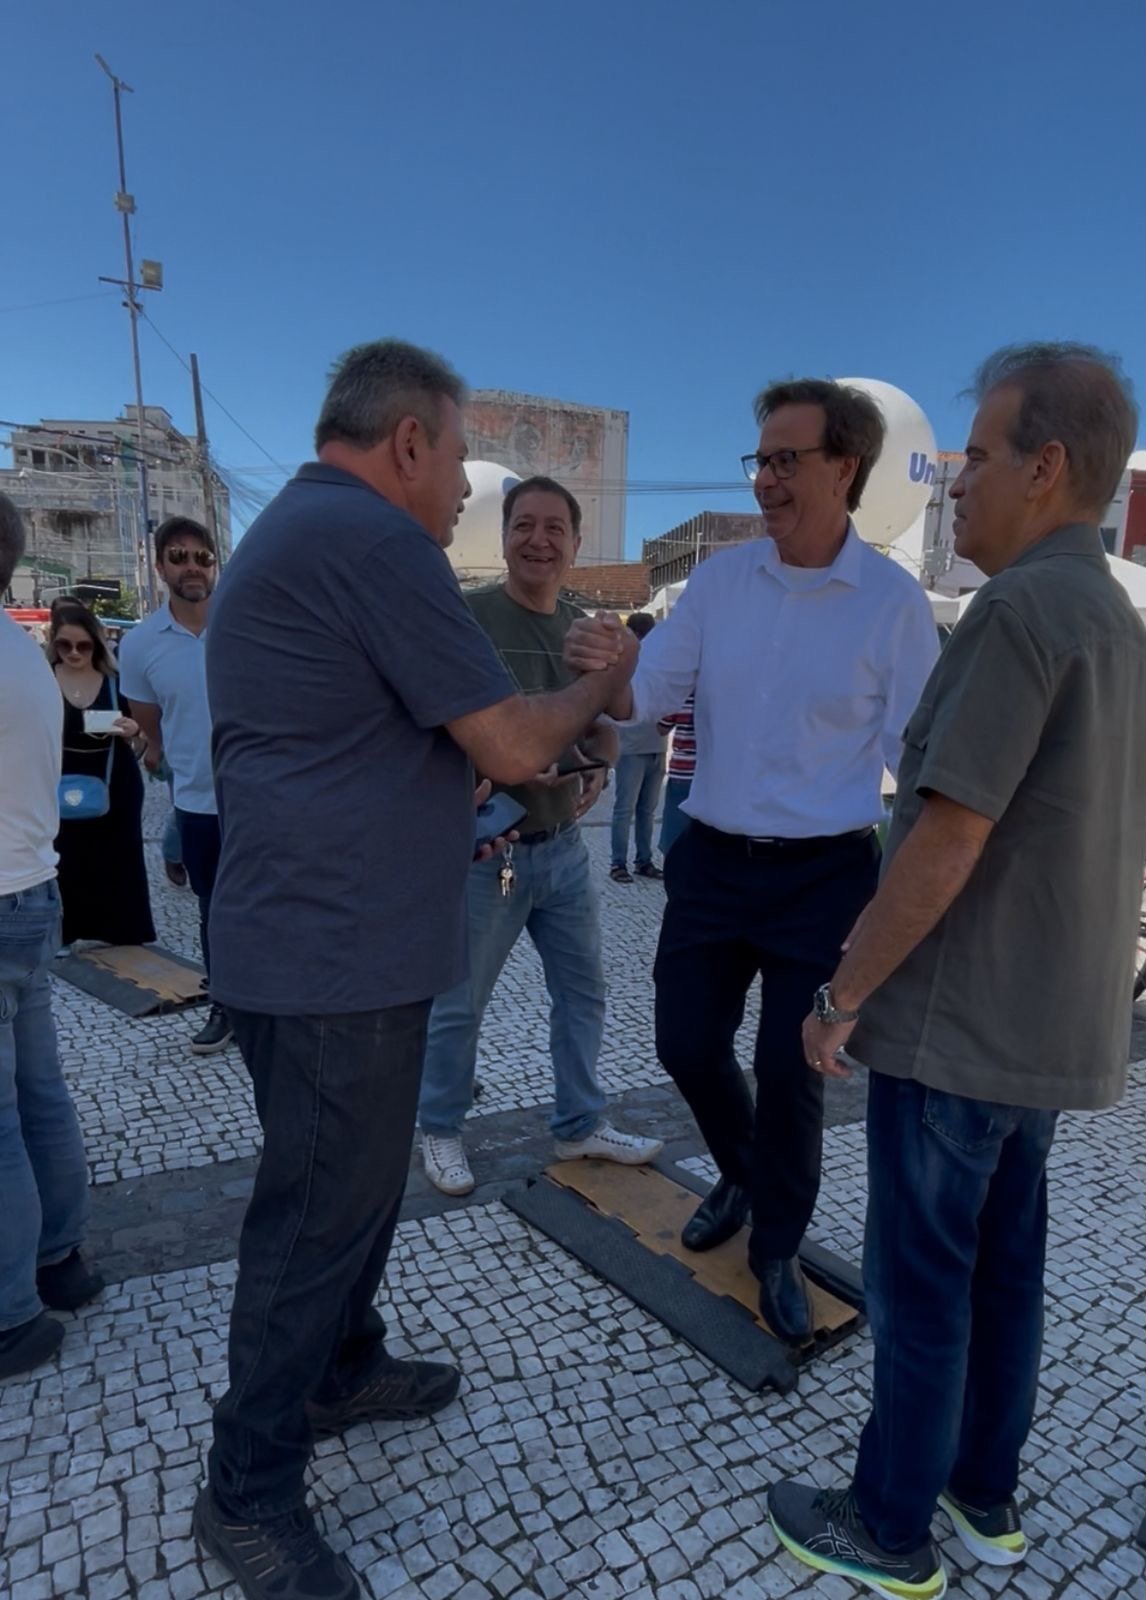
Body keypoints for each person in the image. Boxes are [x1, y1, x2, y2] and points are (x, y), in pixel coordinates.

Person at [196, 340, 641, 1600]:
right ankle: (247, 1492)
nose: (463, 493)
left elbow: (398, 738)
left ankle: (343, 1362)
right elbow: (501, 735)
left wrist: (530, 750)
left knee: (352, 1193)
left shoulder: (308, 528)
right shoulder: (372, 540)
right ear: (406, 442)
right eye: (457, 462)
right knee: (313, 1216)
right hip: (334, 950)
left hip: (323, 940)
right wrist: (592, 683)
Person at [764, 343, 1146, 1600]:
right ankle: (980, 1497)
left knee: (921, 1282)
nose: (957, 479)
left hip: (956, 1029)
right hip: (1037, 1035)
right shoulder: (1106, 611)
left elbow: (947, 832)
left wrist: (841, 996)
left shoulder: (1021, 609)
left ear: (1046, 467)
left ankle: (886, 1527)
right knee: (1003, 1272)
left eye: (978, 455)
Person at [566, 378, 939, 1344]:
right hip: (715, 860)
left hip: (825, 877)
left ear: (844, 469)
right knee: (685, 1042)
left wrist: (920, 891)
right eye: (761, 459)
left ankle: (776, 1244)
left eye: (786, 459)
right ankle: (742, 1168)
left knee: (790, 1071)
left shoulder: (895, 607)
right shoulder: (719, 585)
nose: (767, 478)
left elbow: (921, 764)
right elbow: (646, 698)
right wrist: (608, 660)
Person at [418, 478, 662, 1197]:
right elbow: (435, 725)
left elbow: (601, 715)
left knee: (584, 991)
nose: (539, 540)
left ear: (577, 544)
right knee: (460, 1003)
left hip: (561, 849)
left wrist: (606, 745)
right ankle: (440, 1128)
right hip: (487, 852)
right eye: (525, 525)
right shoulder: (466, 619)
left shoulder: (584, 627)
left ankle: (580, 1122)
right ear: (504, 536)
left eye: (556, 528)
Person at [0, 495, 103, 1383]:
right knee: (40, 1093)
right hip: (31, 892)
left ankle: (9, 1317)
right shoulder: (20, 657)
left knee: (5, 1116)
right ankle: (60, 1260)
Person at [121, 517, 230, 1054]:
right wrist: (167, 757)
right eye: (179, 556)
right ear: (161, 565)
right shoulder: (140, 644)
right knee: (215, 908)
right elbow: (148, 725)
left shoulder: (248, 625)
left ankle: (283, 1004)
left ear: (215, 564)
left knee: (280, 904)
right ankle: (227, 1006)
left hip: (266, 799)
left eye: (202, 557)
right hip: (197, 801)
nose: (192, 566)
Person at [47, 602, 155, 949]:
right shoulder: (43, 678)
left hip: (115, 777)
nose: (74, 653)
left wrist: (132, 728)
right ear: (54, 643)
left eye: (83, 645)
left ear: (97, 643)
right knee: (66, 858)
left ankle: (124, 930)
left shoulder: (116, 681)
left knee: (119, 858)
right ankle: (65, 932)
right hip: (59, 779)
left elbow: (145, 731)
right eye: (65, 645)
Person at [608, 612, 668, 884]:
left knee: (642, 810)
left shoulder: (658, 662)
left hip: (654, 744)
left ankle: (641, 861)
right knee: (629, 809)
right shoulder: (624, 664)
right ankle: (619, 863)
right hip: (633, 746)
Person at [658, 695, 696, 856]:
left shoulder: (684, 696)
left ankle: (676, 871)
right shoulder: (720, 696)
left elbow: (662, 727)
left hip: (682, 770)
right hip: (709, 773)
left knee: (675, 830)